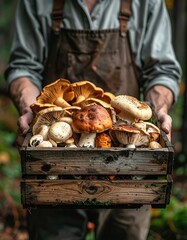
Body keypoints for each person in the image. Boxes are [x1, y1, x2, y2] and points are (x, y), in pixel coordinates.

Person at [4, 0, 181, 239]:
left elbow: (162, 70)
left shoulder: (146, 3)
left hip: (128, 170)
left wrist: (157, 110)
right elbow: (23, 67)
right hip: (53, 168)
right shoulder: (37, 3)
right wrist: (30, 110)